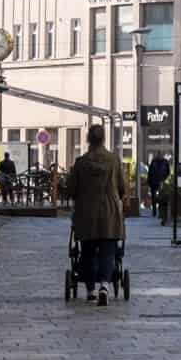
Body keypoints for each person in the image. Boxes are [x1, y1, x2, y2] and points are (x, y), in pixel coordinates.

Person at [65, 123, 128, 306]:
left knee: (87, 253)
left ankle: (91, 290)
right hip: (110, 213)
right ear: (104, 139)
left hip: (86, 214)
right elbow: (122, 187)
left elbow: (71, 189)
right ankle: (104, 286)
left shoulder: (81, 162)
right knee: (108, 253)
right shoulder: (114, 161)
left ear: (88, 139)